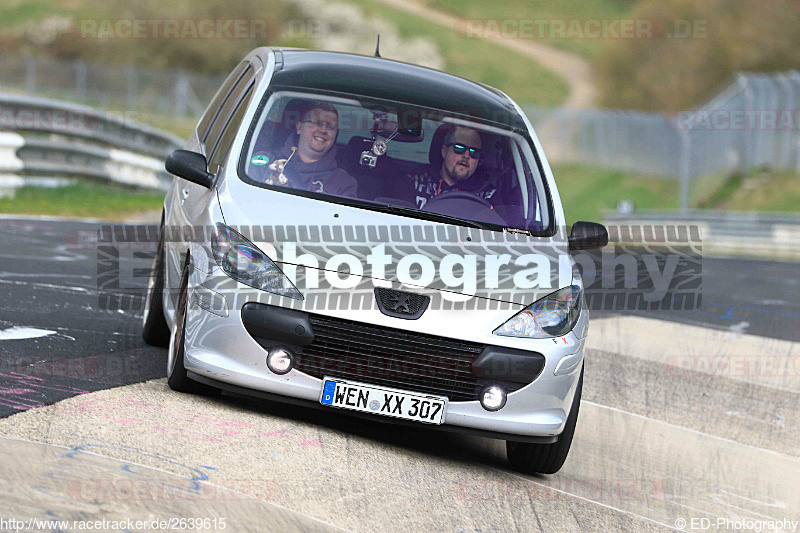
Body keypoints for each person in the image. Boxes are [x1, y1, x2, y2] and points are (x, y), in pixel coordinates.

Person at [262, 102, 357, 198]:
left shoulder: (343, 184)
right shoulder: (266, 163)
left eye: (330, 127)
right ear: (299, 127)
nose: (323, 130)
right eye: (317, 123)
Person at [403, 125, 498, 209]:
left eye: (474, 152)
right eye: (459, 148)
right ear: (444, 151)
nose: (466, 155)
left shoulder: (489, 196)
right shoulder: (415, 182)